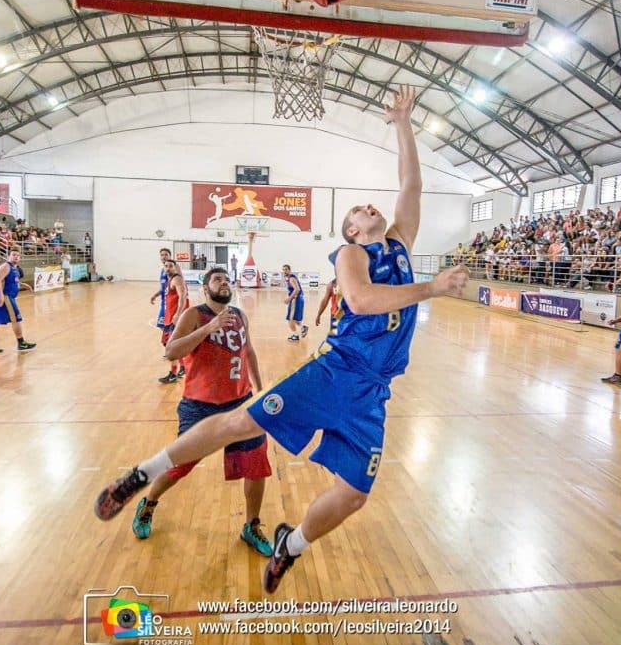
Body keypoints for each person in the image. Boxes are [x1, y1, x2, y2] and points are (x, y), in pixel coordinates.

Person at [92, 86, 472, 594]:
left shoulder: (400, 242)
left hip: (373, 392)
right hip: (336, 371)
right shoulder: (350, 256)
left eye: (367, 206)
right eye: (357, 212)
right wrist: (433, 288)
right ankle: (142, 473)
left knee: (355, 494)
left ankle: (290, 544)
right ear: (352, 231)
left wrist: (402, 122)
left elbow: (412, 185)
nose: (366, 206)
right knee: (237, 422)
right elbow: (359, 301)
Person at [130, 267, 273, 556]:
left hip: (240, 404)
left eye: (227, 280)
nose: (224, 283)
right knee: (180, 466)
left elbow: (249, 352)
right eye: (217, 280)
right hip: (200, 406)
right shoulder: (194, 315)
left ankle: (251, 525)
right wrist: (209, 328)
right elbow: (171, 352)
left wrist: (259, 390)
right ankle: (149, 504)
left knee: (257, 466)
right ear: (205, 289)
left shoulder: (239, 315)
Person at [0, 249, 36, 353]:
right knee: (16, 319)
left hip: (5, 295)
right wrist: (0, 295)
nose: (16, 257)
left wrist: (23, 285)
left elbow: (12, 281)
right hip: (5, 296)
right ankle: (21, 343)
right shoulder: (6, 266)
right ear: (8, 256)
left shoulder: (14, 268)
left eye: (18, 255)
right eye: (13, 255)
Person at [158, 259, 189, 382]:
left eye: (171, 266)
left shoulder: (177, 279)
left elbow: (183, 296)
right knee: (167, 343)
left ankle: (173, 373)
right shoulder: (169, 280)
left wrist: (177, 314)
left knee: (172, 347)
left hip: (175, 318)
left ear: (176, 268)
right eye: (166, 266)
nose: (168, 268)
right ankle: (183, 366)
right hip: (169, 317)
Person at [282, 264, 308, 340]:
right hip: (298, 299)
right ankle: (303, 327)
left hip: (295, 300)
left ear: (289, 270)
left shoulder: (291, 278)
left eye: (286, 269)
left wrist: (289, 299)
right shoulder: (290, 278)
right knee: (295, 319)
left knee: (290, 319)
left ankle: (295, 335)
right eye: (283, 269)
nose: (284, 271)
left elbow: (297, 289)